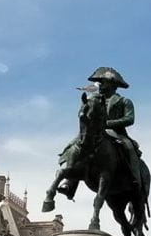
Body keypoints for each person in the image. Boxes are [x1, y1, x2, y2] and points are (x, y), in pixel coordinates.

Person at [57, 67, 143, 200]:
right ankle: (69, 182)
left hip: (116, 133)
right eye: (100, 82)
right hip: (95, 131)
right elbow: (84, 113)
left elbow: (129, 119)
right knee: (75, 145)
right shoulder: (93, 99)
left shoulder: (124, 101)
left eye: (103, 82)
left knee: (129, 148)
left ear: (113, 84)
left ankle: (134, 179)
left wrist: (108, 124)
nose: (100, 85)